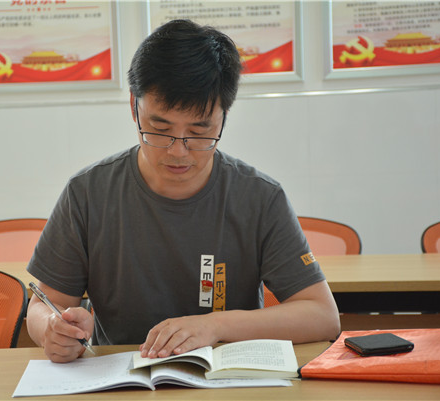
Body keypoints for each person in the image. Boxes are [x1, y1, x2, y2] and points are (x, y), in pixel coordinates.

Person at [26, 19, 340, 363]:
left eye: (199, 132)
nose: (178, 151)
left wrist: (215, 325)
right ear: (133, 106)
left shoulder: (258, 198)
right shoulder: (88, 194)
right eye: (160, 129)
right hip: (122, 377)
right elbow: (43, 304)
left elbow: (322, 315)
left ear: (224, 117)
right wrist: (53, 329)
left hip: (229, 378)